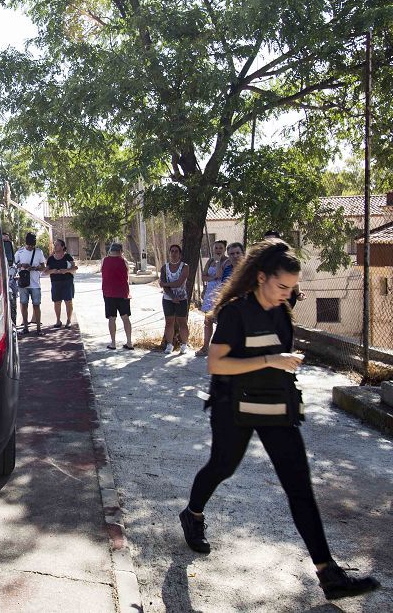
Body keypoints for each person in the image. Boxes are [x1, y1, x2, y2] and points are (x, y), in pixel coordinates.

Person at [179, 238, 381, 602]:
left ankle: (328, 573)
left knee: (300, 487)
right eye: (282, 286)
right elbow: (216, 363)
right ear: (260, 277)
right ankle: (192, 514)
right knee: (223, 466)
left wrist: (285, 362)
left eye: (292, 288)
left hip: (276, 407)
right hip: (233, 407)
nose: (287, 295)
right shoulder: (235, 312)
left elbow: (277, 351)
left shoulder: (281, 309)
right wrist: (270, 361)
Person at [196, 240, 230, 356]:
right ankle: (205, 346)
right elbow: (204, 277)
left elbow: (220, 275)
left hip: (221, 292)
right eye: (216, 248)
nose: (218, 250)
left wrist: (219, 261)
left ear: (224, 249)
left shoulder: (227, 261)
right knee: (207, 320)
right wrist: (212, 278)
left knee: (221, 321)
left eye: (220, 248)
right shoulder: (210, 261)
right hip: (210, 291)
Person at [102, 242, 133, 349]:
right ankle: (129, 342)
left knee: (112, 318)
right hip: (123, 293)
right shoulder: (124, 261)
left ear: (110, 250)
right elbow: (127, 273)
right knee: (125, 318)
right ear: (121, 251)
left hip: (109, 293)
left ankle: (113, 343)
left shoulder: (104, 261)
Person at [160, 244, 191, 354]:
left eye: (176, 251)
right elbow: (162, 285)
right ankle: (169, 344)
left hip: (182, 298)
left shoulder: (185, 266)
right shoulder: (164, 267)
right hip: (168, 299)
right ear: (169, 253)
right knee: (169, 322)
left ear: (180, 254)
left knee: (182, 322)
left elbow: (179, 283)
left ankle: (184, 344)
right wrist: (172, 297)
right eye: (172, 251)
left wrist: (165, 283)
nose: (174, 253)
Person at [14, 232, 46, 335]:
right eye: (29, 245)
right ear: (26, 243)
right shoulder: (20, 252)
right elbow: (13, 265)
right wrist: (22, 265)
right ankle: (25, 328)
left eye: (33, 245)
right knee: (24, 304)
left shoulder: (39, 252)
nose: (31, 247)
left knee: (36, 305)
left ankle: (38, 329)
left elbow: (43, 267)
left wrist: (35, 268)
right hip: (23, 283)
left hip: (35, 283)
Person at [46, 238, 76, 328]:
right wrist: (52, 271)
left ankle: (69, 320)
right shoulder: (50, 258)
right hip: (55, 282)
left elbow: (75, 268)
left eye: (57, 245)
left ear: (63, 247)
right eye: (54, 245)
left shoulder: (68, 257)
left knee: (68, 301)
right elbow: (45, 271)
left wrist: (66, 270)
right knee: (57, 302)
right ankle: (58, 321)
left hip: (67, 281)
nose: (55, 246)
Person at [2, 233, 19, 327]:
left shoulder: (12, 256)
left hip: (11, 287)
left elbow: (15, 267)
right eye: (4, 241)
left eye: (7, 241)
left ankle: (13, 326)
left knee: (12, 308)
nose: (6, 243)